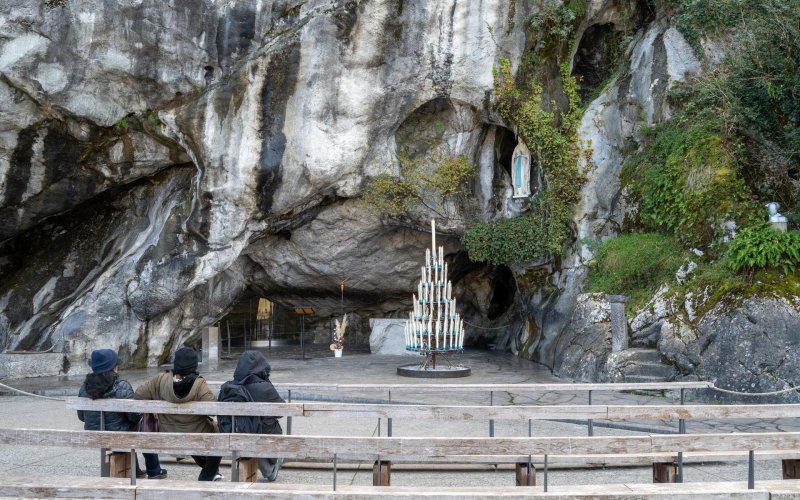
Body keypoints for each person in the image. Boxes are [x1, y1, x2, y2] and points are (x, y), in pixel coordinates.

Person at [134, 346, 222, 481]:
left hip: (167, 434)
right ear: (194, 365)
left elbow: (139, 394)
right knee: (220, 437)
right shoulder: (199, 383)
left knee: (195, 437)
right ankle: (207, 475)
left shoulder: (160, 380)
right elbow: (213, 409)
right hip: (196, 435)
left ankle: (210, 473)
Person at [77, 349, 166, 479]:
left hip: (95, 435)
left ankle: (134, 469)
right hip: (120, 436)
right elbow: (134, 417)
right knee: (145, 427)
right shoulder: (121, 386)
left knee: (121, 428)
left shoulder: (84, 388)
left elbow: (81, 417)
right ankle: (154, 470)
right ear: (114, 367)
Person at [218, 351, 284, 482]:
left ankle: (268, 467)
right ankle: (270, 468)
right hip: (261, 435)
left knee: (251, 431)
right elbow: (281, 411)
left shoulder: (228, 387)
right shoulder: (265, 388)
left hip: (233, 433)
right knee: (263, 429)